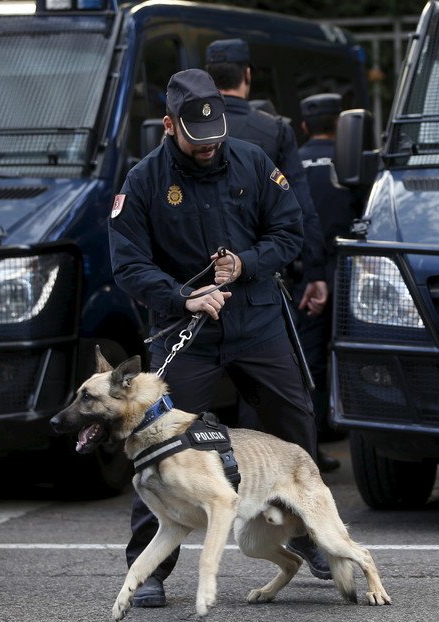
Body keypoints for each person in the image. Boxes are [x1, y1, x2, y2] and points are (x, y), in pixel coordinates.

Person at [109, 68, 330, 609]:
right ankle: (154, 567)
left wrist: (246, 264)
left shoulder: (253, 161)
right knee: (158, 439)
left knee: (294, 421)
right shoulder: (142, 181)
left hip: (256, 323)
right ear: (168, 125)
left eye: (216, 136)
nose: (209, 147)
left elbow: (289, 231)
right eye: (195, 138)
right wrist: (181, 297)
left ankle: (310, 535)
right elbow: (128, 265)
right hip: (189, 332)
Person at [204, 38, 338, 472]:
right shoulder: (274, 130)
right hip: (259, 280)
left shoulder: (187, 131)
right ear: (248, 76)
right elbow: (298, 211)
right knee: (270, 391)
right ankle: (270, 478)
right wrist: (315, 272)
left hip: (194, 289)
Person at [296, 93, 364, 452]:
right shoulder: (352, 163)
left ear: (304, 126)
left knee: (308, 361)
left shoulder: (293, 163)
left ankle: (312, 443)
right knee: (354, 351)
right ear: (340, 125)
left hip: (308, 275)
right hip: (351, 274)